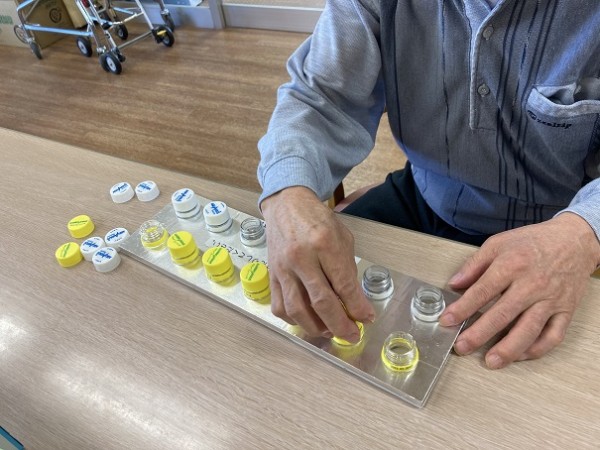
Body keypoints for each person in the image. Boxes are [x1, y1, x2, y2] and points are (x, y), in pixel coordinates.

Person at [257, 0, 600, 369]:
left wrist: (581, 235)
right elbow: (321, 98)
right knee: (301, 350)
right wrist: (288, 193)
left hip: (557, 227)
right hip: (423, 193)